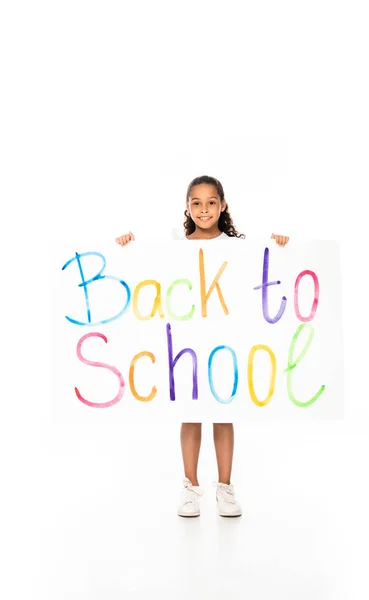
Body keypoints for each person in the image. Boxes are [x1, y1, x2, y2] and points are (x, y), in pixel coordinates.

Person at [115, 175, 289, 518]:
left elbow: (259, 273)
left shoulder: (238, 246)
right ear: (187, 207)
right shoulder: (176, 246)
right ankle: (190, 488)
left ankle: (225, 488)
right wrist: (128, 246)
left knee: (224, 413)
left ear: (222, 205)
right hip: (188, 343)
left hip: (225, 343)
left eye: (211, 202)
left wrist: (283, 246)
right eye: (197, 203)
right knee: (191, 413)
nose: (204, 209)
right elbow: (151, 272)